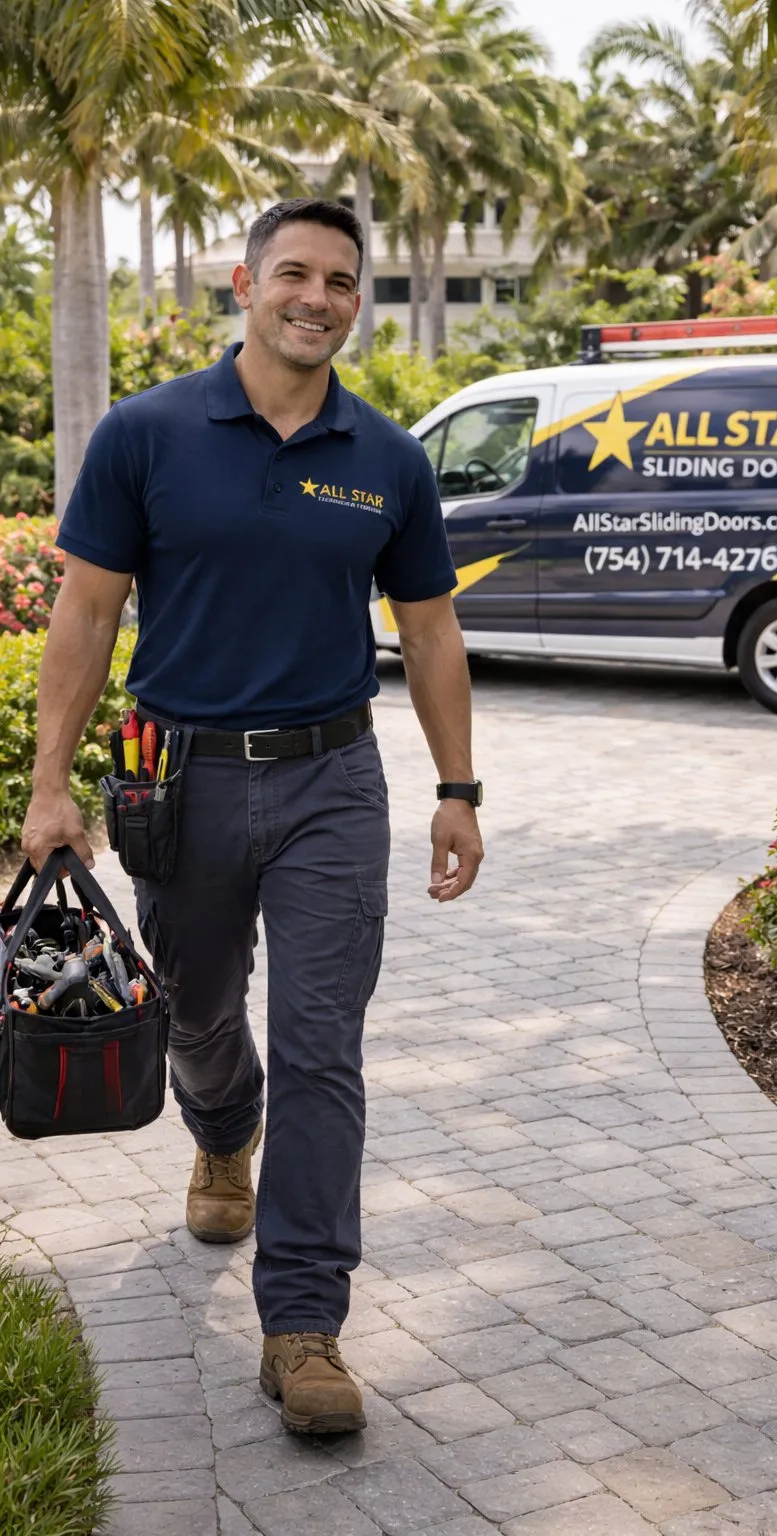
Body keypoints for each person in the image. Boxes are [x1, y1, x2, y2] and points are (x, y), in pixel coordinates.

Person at [21, 198, 484, 1435]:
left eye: (341, 280)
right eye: (295, 272)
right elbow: (87, 613)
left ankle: (304, 1324)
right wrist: (50, 784)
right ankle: (224, 1128)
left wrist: (457, 789)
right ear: (245, 282)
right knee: (200, 1010)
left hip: (334, 780)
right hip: (179, 784)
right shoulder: (148, 432)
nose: (317, 297)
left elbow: (431, 630)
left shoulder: (386, 458)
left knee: (326, 1044)